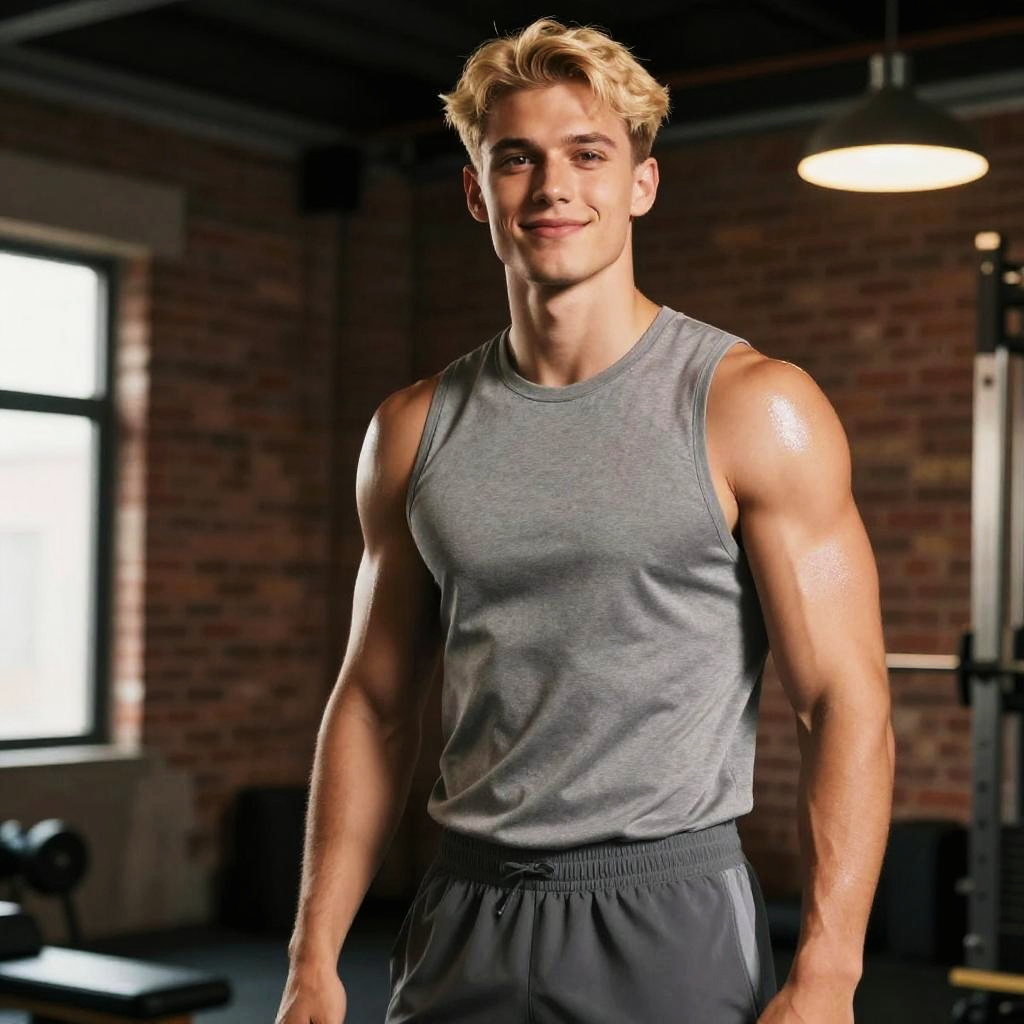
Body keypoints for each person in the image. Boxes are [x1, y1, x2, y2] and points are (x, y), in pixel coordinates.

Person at [275, 15, 894, 1024]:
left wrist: (828, 970)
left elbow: (842, 700)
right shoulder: (412, 429)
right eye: (515, 158)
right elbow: (374, 705)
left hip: (666, 907)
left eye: (588, 154)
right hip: (464, 906)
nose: (552, 187)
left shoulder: (752, 406)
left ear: (639, 185)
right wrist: (311, 955)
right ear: (477, 191)